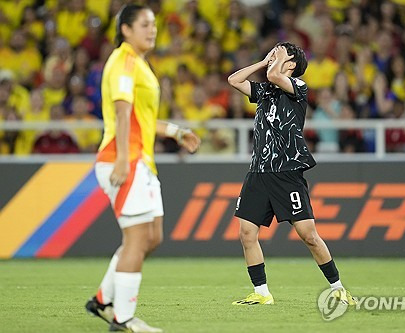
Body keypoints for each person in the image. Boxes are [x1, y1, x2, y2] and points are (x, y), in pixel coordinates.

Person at [84, 4, 200, 333]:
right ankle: (122, 319)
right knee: (136, 239)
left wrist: (176, 132)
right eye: (145, 24)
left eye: (154, 24)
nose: (153, 29)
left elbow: (142, 120)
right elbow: (122, 113)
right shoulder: (124, 60)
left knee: (152, 237)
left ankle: (103, 299)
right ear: (126, 30)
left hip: (140, 160)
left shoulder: (141, 64)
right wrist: (123, 159)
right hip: (125, 159)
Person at [227, 42, 357, 306]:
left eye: (281, 52)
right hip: (259, 172)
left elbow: (277, 76)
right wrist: (263, 63)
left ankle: (339, 288)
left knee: (308, 234)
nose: (275, 53)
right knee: (246, 233)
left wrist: (273, 66)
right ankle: (261, 292)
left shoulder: (298, 87)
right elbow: (234, 79)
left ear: (292, 64)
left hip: (287, 172)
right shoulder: (264, 91)